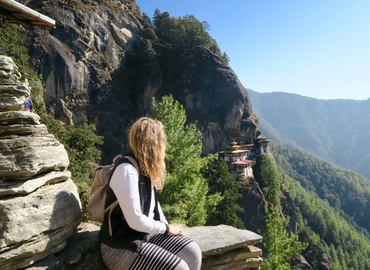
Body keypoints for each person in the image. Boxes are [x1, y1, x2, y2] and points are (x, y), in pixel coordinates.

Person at [99, 117, 202, 270]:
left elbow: (155, 208)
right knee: (178, 268)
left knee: (192, 252)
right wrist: (166, 229)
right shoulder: (126, 170)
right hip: (120, 246)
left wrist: (167, 228)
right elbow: (135, 220)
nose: (164, 146)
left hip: (145, 236)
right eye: (162, 141)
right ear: (152, 144)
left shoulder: (145, 167)